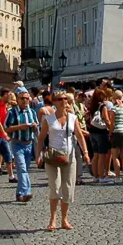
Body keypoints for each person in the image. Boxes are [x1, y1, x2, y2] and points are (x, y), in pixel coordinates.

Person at [35, 92, 91, 231]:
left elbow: (79, 135)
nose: (63, 101)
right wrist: (38, 155)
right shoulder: (49, 119)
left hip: (69, 156)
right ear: (54, 102)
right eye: (60, 99)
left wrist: (85, 152)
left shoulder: (73, 118)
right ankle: (52, 219)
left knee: (68, 187)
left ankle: (64, 219)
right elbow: (41, 138)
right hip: (53, 156)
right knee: (55, 186)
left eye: (65, 99)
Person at [6, 90, 39, 202]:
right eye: (22, 98)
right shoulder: (12, 112)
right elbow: (7, 128)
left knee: (24, 170)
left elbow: (36, 127)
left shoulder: (32, 112)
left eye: (26, 98)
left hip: (29, 144)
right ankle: (27, 191)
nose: (25, 100)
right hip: (17, 143)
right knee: (22, 168)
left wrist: (34, 126)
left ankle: (20, 194)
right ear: (18, 99)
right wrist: (21, 126)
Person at [106, 90, 123, 183]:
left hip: (117, 132)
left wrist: (110, 133)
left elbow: (112, 123)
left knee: (115, 156)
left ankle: (117, 177)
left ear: (114, 98)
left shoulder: (114, 109)